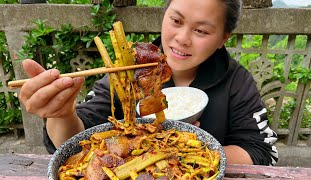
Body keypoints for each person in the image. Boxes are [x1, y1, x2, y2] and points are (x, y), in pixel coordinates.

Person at [18, 0, 278, 165]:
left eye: (201, 30)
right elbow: (76, 137)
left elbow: (261, 152)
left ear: (223, 37)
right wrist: (62, 114)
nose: (182, 38)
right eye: (176, 21)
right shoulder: (128, 70)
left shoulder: (236, 80)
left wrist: (182, 147)